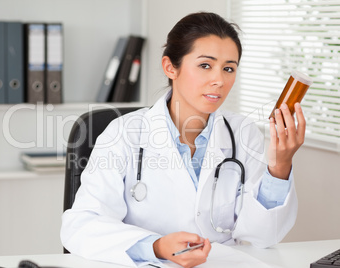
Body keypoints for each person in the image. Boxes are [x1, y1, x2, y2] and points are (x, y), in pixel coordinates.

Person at [61, 12, 305, 268]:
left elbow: (264, 237)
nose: (219, 80)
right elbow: (81, 225)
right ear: (170, 67)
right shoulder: (123, 133)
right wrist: (156, 246)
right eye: (205, 65)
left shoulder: (243, 133)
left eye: (229, 68)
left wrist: (280, 167)